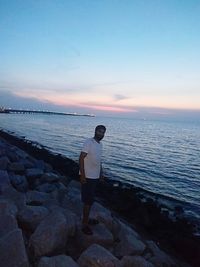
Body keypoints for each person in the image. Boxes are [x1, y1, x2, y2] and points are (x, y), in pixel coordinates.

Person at [79, 125, 106, 235]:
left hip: (95, 177)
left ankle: (86, 219)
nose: (101, 134)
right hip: (88, 177)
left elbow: (99, 161)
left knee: (90, 201)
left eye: (103, 132)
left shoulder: (100, 145)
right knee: (87, 201)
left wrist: (101, 173)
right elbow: (81, 158)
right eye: (100, 131)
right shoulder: (89, 142)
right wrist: (82, 175)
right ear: (95, 131)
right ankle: (84, 225)